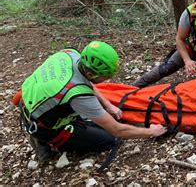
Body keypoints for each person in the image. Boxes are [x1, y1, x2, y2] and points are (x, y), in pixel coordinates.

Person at [18, 41, 167, 161]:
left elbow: (85, 82)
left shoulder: (70, 55)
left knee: (97, 122)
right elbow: (118, 130)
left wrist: (108, 105)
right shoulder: (79, 96)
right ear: (90, 73)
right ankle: (43, 142)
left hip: (33, 100)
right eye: (105, 77)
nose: (107, 80)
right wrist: (151, 132)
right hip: (43, 124)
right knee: (109, 139)